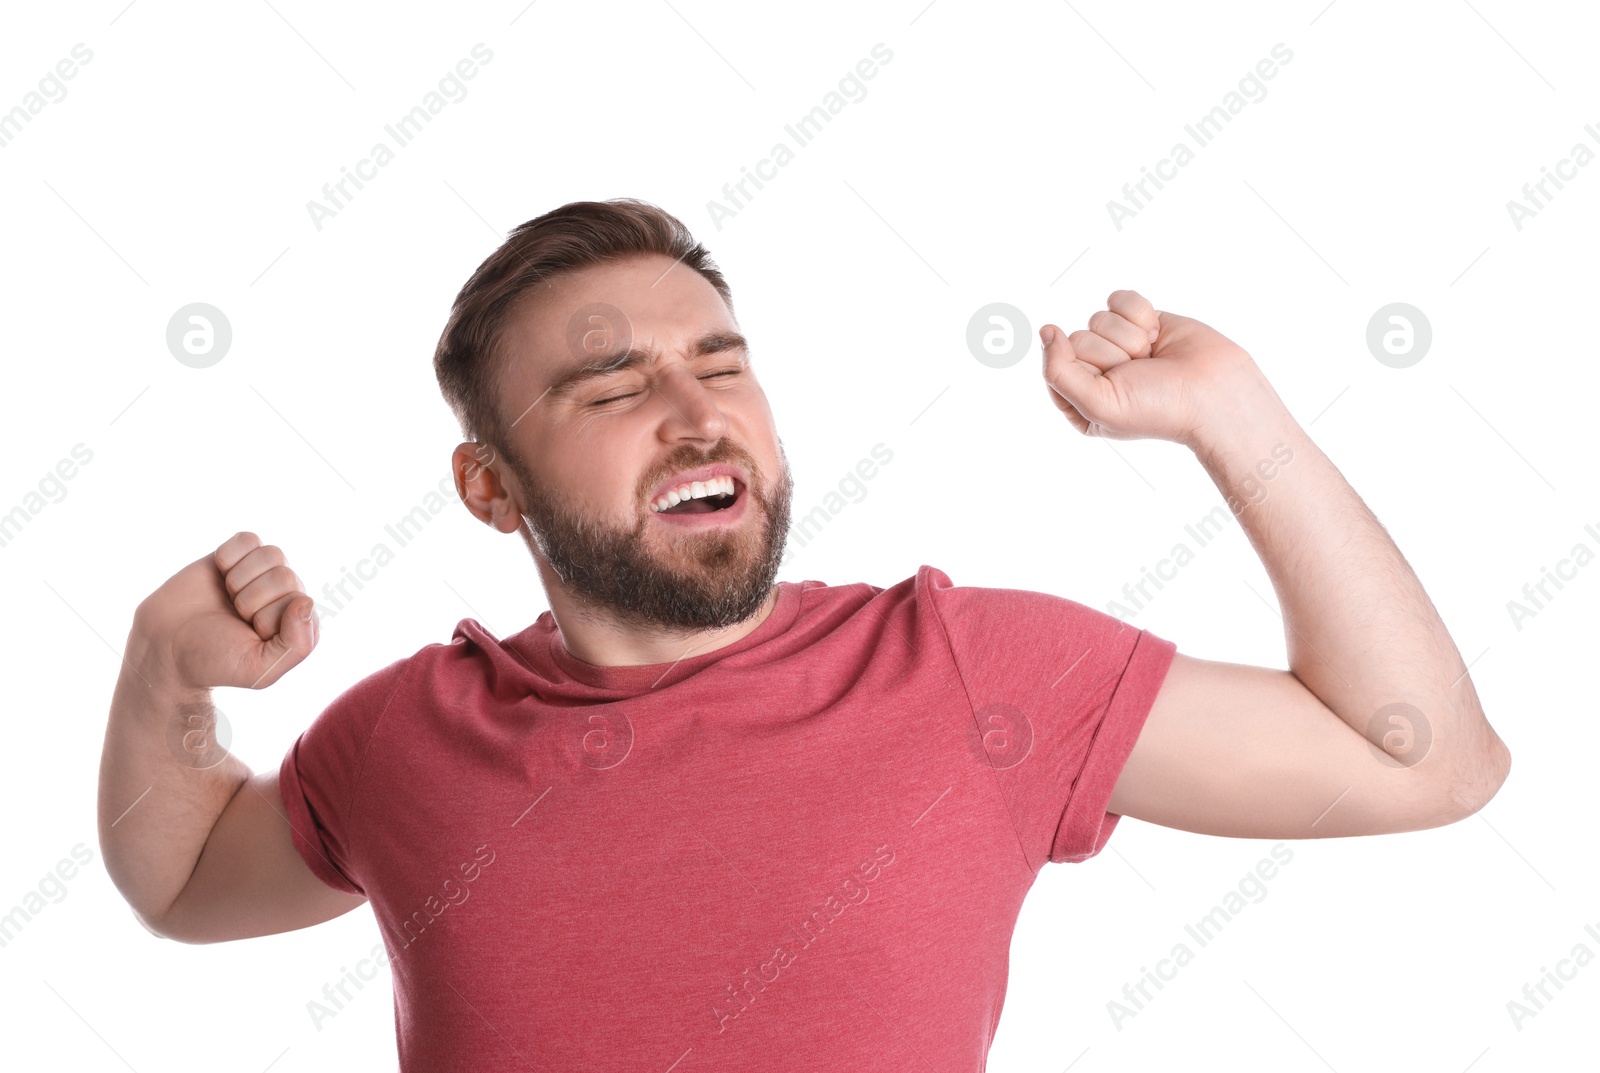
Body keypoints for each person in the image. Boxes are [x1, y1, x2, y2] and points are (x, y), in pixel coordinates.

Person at [97, 198, 1511, 1070]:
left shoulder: (970, 674)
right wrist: (165, 673)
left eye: (722, 362)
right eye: (614, 386)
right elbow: (182, 883)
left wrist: (1236, 418)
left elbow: (1422, 764)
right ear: (492, 487)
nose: (698, 409)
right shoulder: (406, 737)